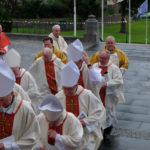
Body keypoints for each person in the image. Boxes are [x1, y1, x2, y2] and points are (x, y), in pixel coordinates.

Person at [56, 61, 106, 150]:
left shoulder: (87, 95)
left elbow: (99, 112)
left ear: (76, 85)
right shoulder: (59, 97)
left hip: (85, 136)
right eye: (65, 89)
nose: (67, 92)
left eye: (70, 89)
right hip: (66, 136)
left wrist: (85, 121)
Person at [0, 60, 40, 149]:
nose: (0, 104)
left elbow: (32, 137)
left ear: (11, 93)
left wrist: (8, 146)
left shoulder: (25, 109)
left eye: (2, 100)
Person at [93, 51, 125, 141]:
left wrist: (107, 84)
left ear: (108, 58)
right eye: (100, 58)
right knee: (97, 113)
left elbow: (119, 81)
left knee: (109, 113)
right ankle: (98, 131)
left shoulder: (114, 68)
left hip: (108, 95)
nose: (102, 60)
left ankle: (107, 132)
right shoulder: (95, 66)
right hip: (97, 95)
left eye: (104, 58)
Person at [4, 48, 40, 113]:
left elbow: (35, 93)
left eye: (14, 71)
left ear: (19, 68)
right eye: (10, 71)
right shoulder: (5, 77)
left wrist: (22, 94)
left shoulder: (26, 75)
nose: (12, 74)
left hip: (24, 108)